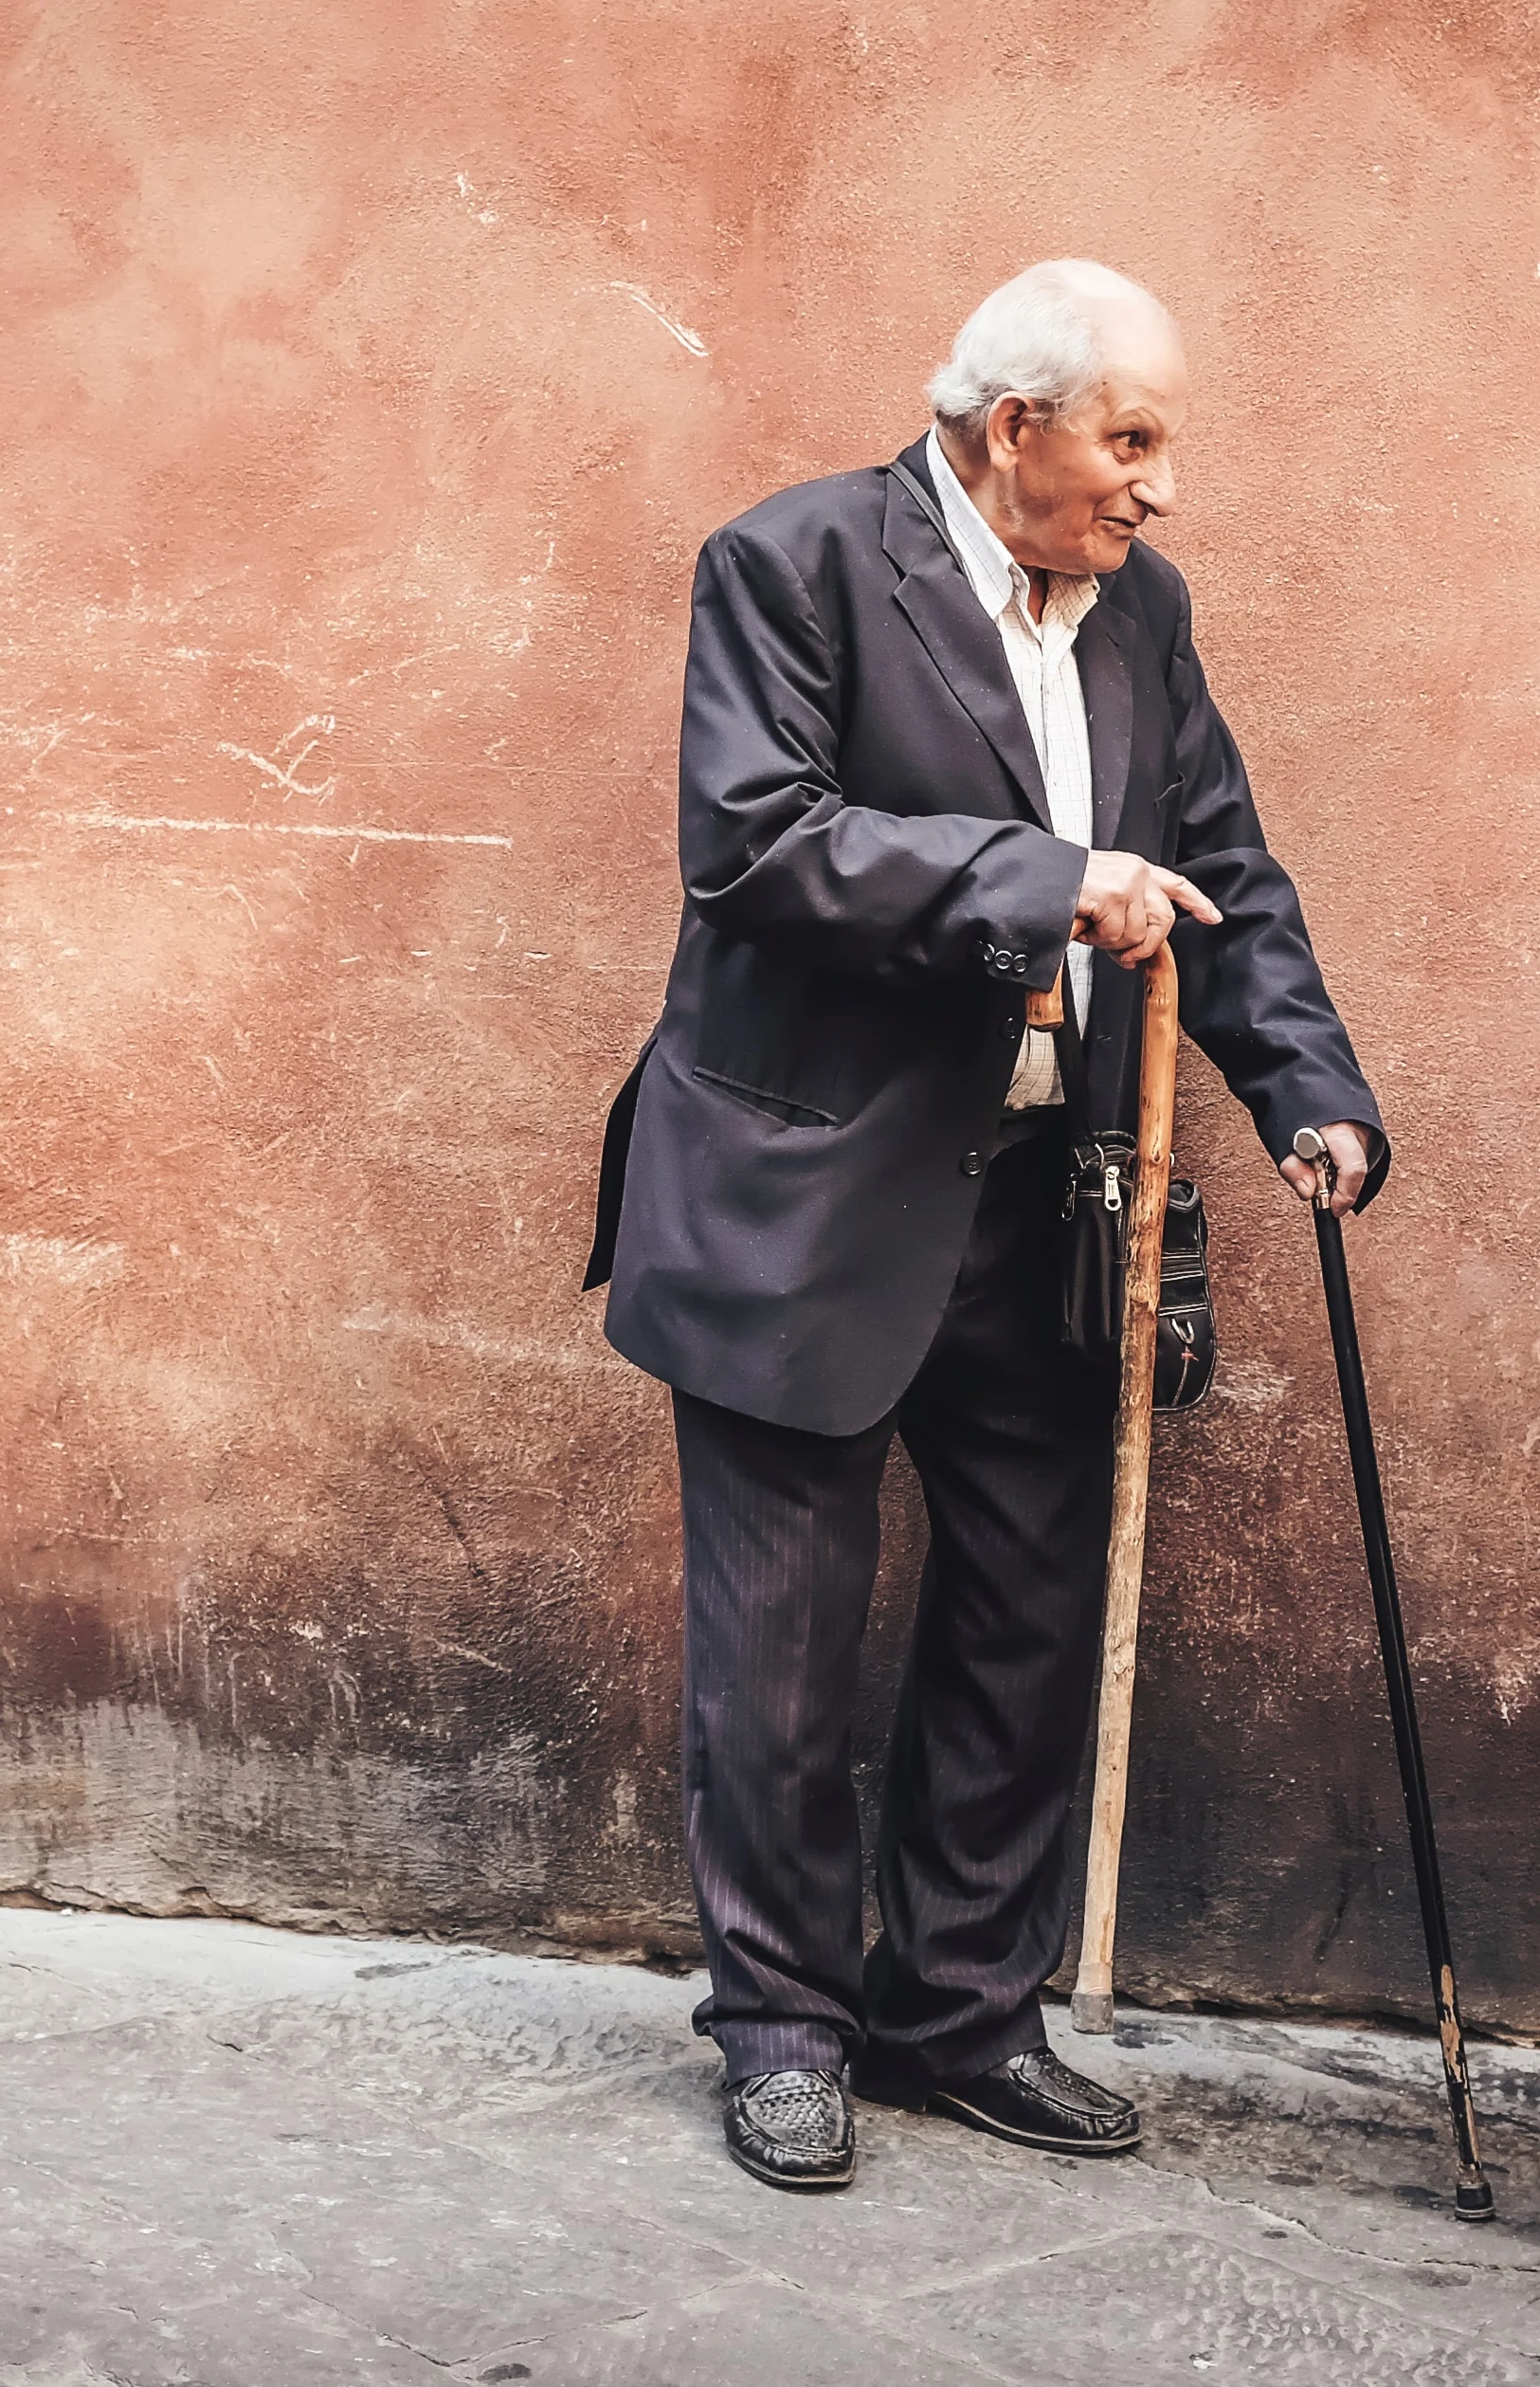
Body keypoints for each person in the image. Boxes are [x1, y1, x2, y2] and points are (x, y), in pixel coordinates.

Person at [583, 260, 1388, 2191]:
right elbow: (762, 843)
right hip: (802, 1198)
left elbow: (1222, 871)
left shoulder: (1146, 615)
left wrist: (1312, 1090)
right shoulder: (790, 565)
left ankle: (959, 2007)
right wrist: (1045, 879)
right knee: (777, 1653)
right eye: (1133, 436)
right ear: (1010, 423)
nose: (1160, 484)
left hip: (1044, 1202)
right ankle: (782, 2024)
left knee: (1026, 1625)